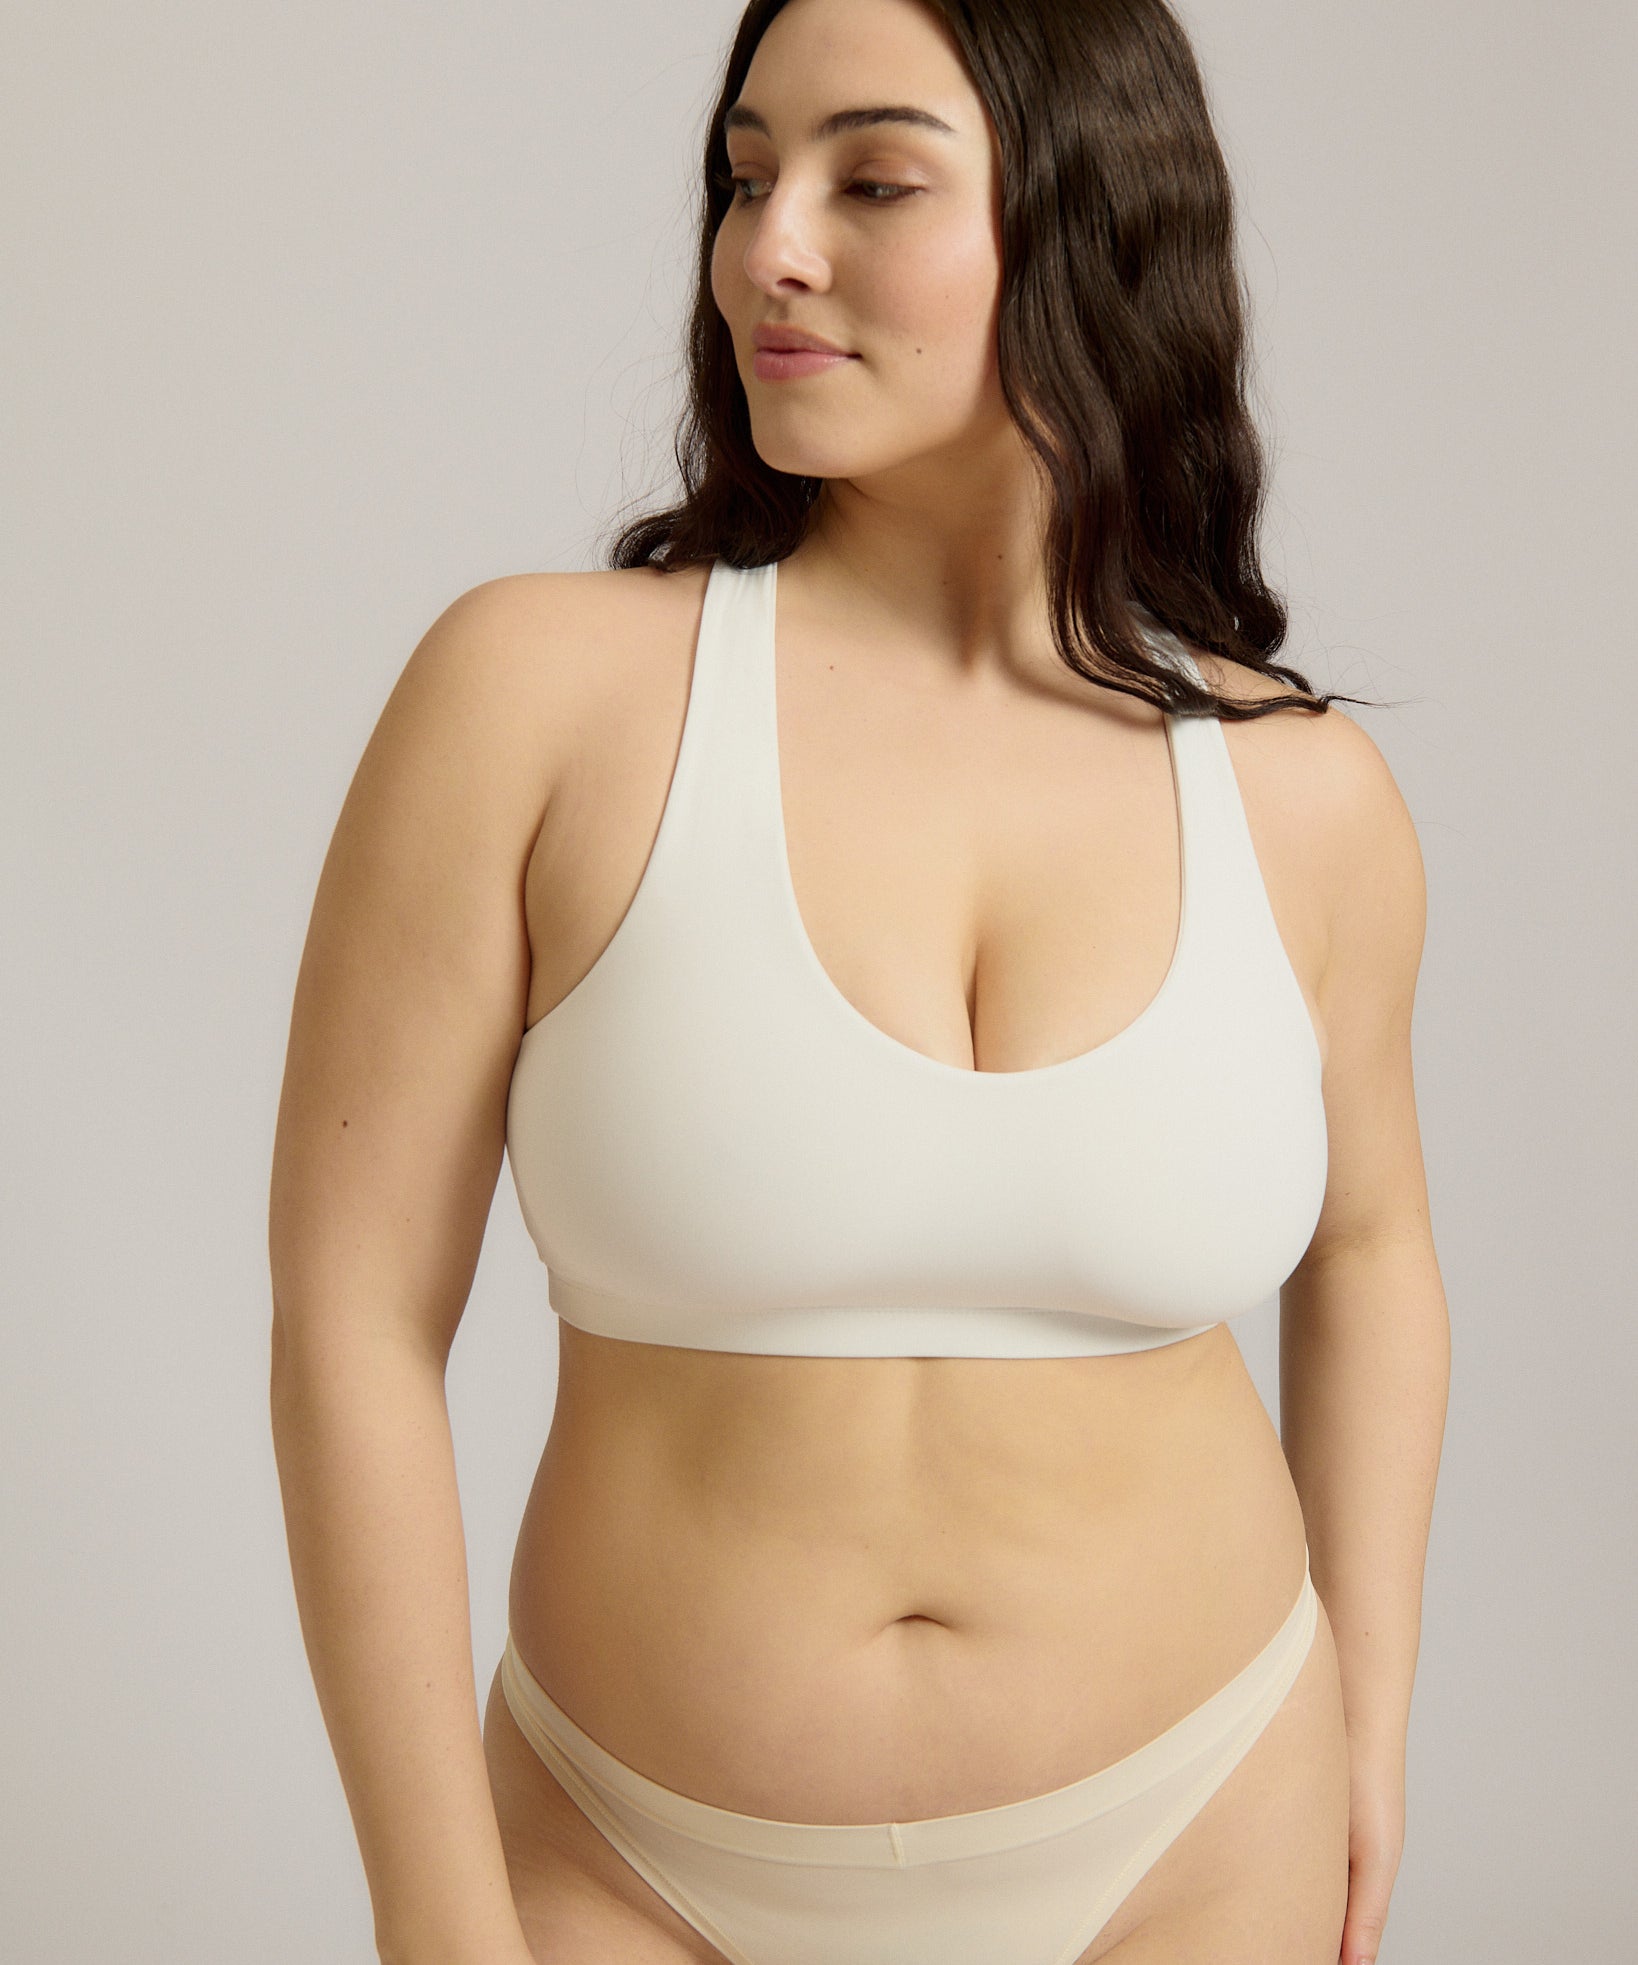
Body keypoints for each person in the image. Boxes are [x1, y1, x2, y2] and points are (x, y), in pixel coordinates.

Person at [268, 1, 1450, 1961]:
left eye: (869, 180)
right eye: (746, 176)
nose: (768, 249)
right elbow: (349, 1317)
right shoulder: (537, 695)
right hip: (622, 1852)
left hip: (1203, 1824)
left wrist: (1372, 1720)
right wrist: (434, 1907)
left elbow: (1379, 1254)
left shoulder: (1305, 795)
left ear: (1092, 226)